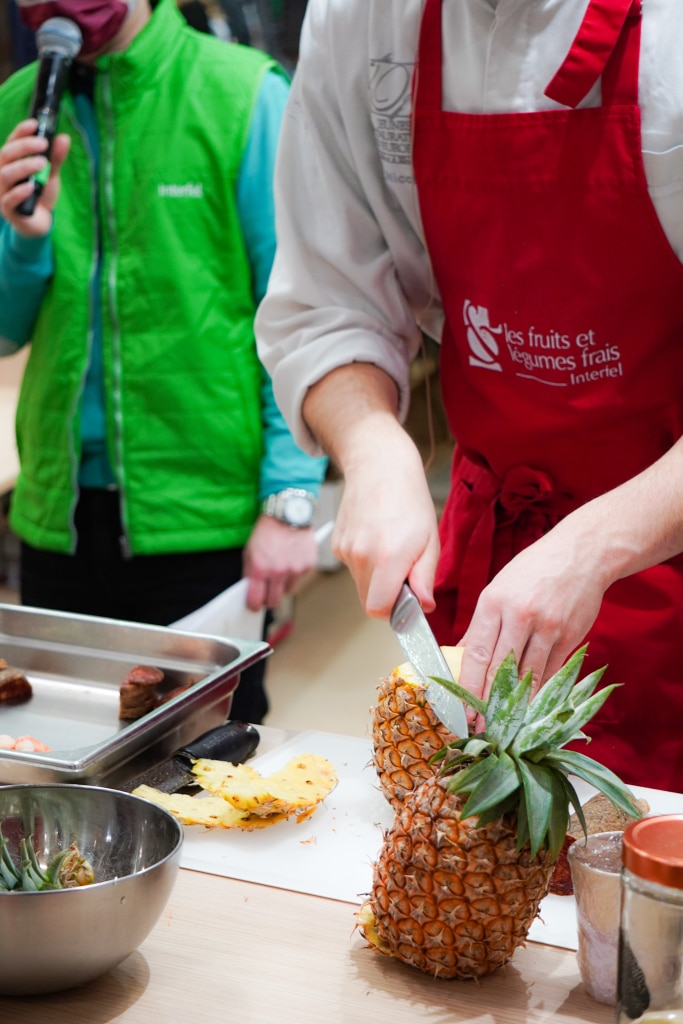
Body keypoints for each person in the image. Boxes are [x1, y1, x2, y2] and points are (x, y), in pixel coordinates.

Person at [255, 0, 683, 789]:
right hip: (491, 557)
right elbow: (326, 299)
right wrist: (377, 453)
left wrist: (596, 546)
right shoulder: (362, 19)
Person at [0, 0, 327, 725]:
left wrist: (290, 497)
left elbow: (302, 313)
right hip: (59, 519)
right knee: (62, 753)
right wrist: (22, 239)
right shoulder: (16, 110)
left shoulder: (243, 93)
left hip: (206, 521)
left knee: (208, 767)